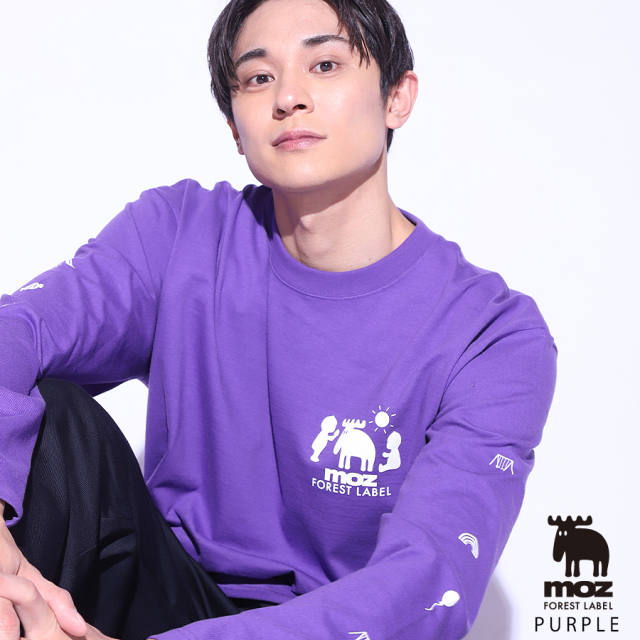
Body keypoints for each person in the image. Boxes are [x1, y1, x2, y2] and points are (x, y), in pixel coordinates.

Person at [0, 0, 557, 639]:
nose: (289, 97)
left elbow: (427, 584)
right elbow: (18, 331)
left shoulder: (493, 336)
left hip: (337, 627)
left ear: (397, 98)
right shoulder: (179, 234)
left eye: (325, 65)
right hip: (164, 595)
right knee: (50, 417)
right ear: (235, 127)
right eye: (259, 77)